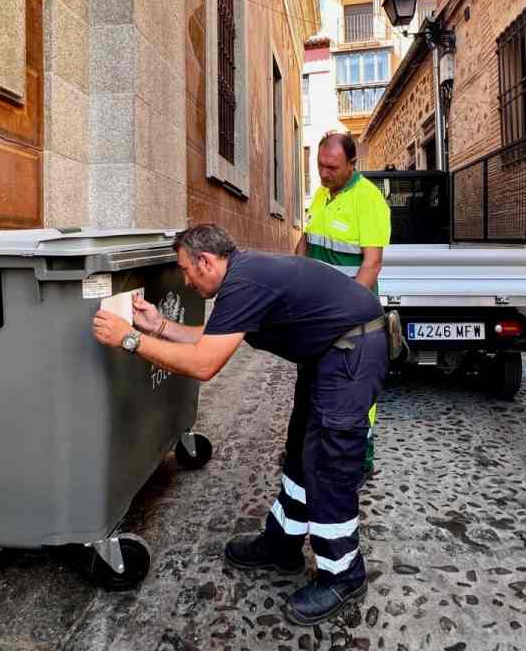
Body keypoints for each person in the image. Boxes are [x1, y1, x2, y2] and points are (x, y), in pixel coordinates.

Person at [91, 224, 388, 626]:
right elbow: (213, 338)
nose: (185, 280)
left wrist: (129, 340)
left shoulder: (244, 283)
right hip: (328, 353)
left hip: (350, 355)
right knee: (301, 452)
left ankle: (344, 576)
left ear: (206, 261)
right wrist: (156, 326)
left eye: (185, 270)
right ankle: (282, 545)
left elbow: (204, 364)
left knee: (330, 465)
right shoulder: (244, 276)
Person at [297, 131, 391, 483]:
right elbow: (307, 242)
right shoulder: (321, 195)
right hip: (317, 315)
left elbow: (372, 264)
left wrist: (343, 315)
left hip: (351, 319)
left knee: (353, 393)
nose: (324, 173)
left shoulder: (368, 200)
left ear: (352, 163)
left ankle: (359, 461)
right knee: (314, 385)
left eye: (332, 167)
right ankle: (309, 454)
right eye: (319, 165)